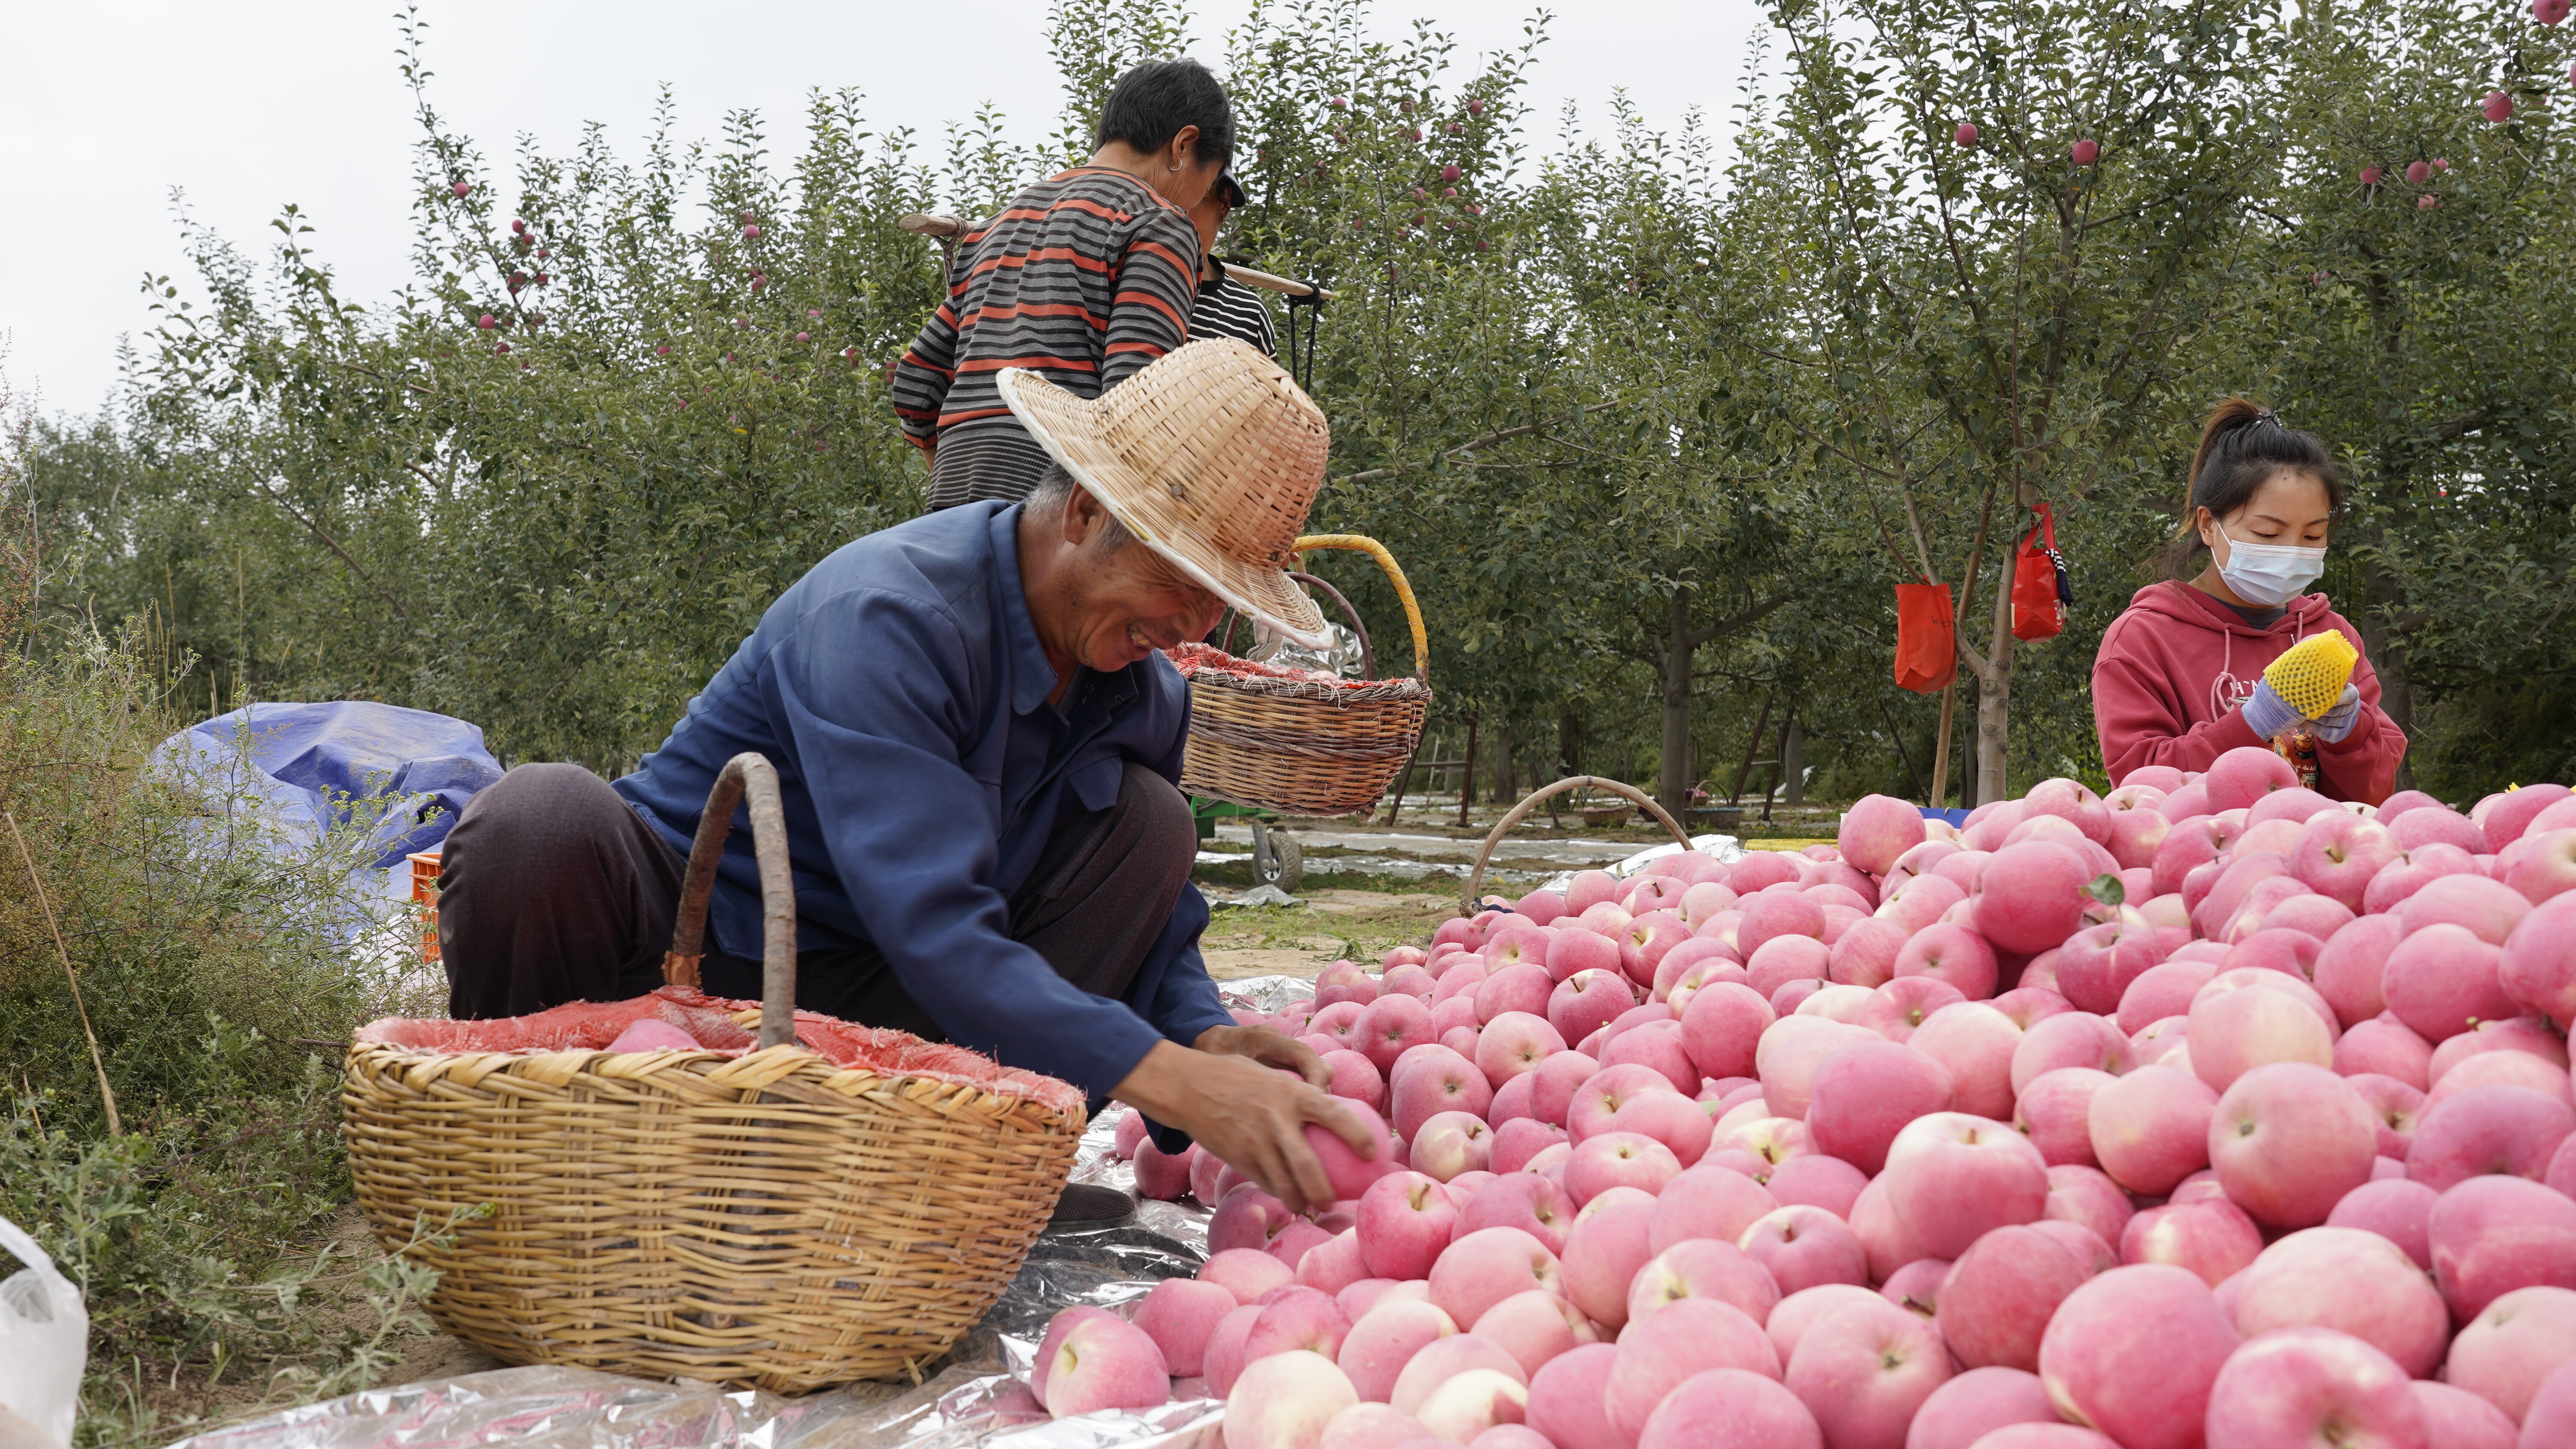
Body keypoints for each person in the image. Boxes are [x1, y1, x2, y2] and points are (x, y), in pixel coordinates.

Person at [437, 338, 1364, 1210]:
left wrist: (1201, 1032)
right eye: (1182, 582)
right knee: (537, 821)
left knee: (1154, 822)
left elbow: (1155, 920)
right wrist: (1171, 1077)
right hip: (682, 962)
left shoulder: (1140, 688)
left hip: (871, 1004)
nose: (1192, 629)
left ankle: (943, 1181)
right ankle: (545, 1162)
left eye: (1220, 605)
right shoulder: (889, 612)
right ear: (1084, 510)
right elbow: (937, 924)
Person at [891, 60, 1227, 511]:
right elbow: (1135, 403)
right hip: (1057, 510)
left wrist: (960, 474)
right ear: (1183, 146)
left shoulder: (997, 227)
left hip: (951, 502)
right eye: (1207, 183)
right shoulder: (1158, 224)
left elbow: (915, 382)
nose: (1194, 203)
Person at [2092, 399, 2407, 802]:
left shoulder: (2332, 636)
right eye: (2267, 534)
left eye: (2313, 536)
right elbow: (2140, 789)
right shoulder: (2143, 639)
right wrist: (2253, 722)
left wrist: (2351, 735)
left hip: (2310, 855)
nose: (2293, 552)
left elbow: (2373, 796)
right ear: (2209, 526)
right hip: (2207, 859)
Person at [1183, 167, 1279, 357]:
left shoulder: (1249, 316)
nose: (1174, 212)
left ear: (1224, 205)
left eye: (1194, 195)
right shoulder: (1117, 284)